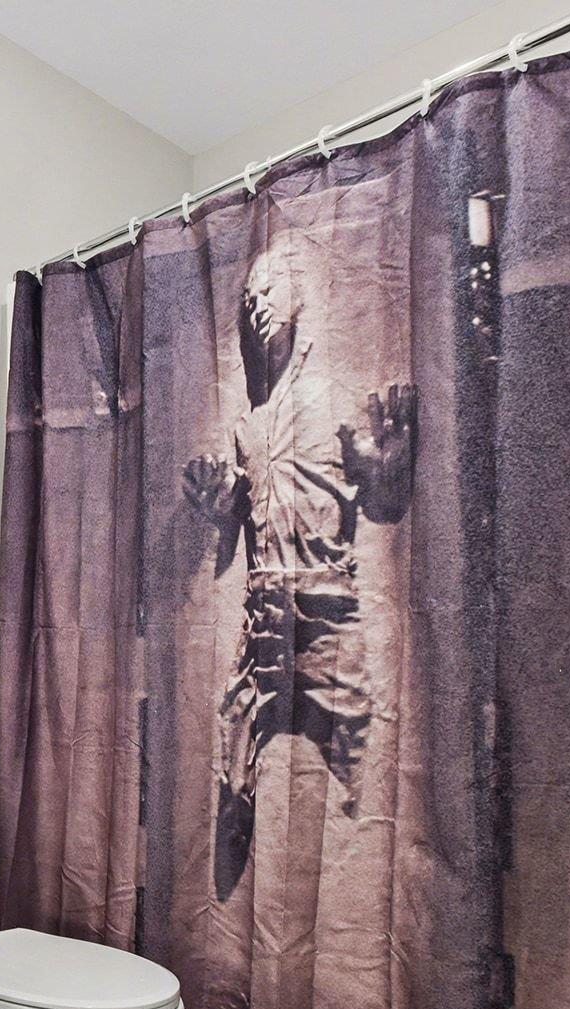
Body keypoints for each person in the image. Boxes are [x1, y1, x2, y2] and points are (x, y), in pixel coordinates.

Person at [181, 240, 417, 898]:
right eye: (250, 296)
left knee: (362, 753)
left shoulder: (334, 397)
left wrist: (388, 468)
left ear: (299, 297)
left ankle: (369, 899)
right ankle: (234, 876)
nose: (259, 303)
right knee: (233, 741)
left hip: (327, 609)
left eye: (272, 288)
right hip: (263, 614)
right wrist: (217, 503)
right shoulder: (249, 425)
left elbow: (382, 500)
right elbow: (237, 515)